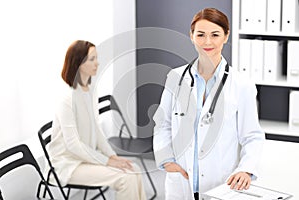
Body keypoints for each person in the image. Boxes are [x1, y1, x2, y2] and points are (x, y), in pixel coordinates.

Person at [153, 8, 265, 200]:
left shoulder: (241, 84)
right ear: (191, 36)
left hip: (221, 181)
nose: (207, 42)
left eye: (215, 35)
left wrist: (246, 170)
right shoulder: (175, 78)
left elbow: (252, 136)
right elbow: (163, 124)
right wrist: (167, 161)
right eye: (201, 35)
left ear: (226, 36)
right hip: (181, 180)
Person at [47, 40, 146, 200]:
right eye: (92, 59)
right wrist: (106, 161)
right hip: (69, 164)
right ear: (79, 63)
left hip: (86, 157)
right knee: (125, 178)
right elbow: (73, 145)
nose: (97, 63)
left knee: (134, 168)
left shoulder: (90, 90)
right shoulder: (66, 98)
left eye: (96, 58)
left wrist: (112, 156)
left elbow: (96, 130)